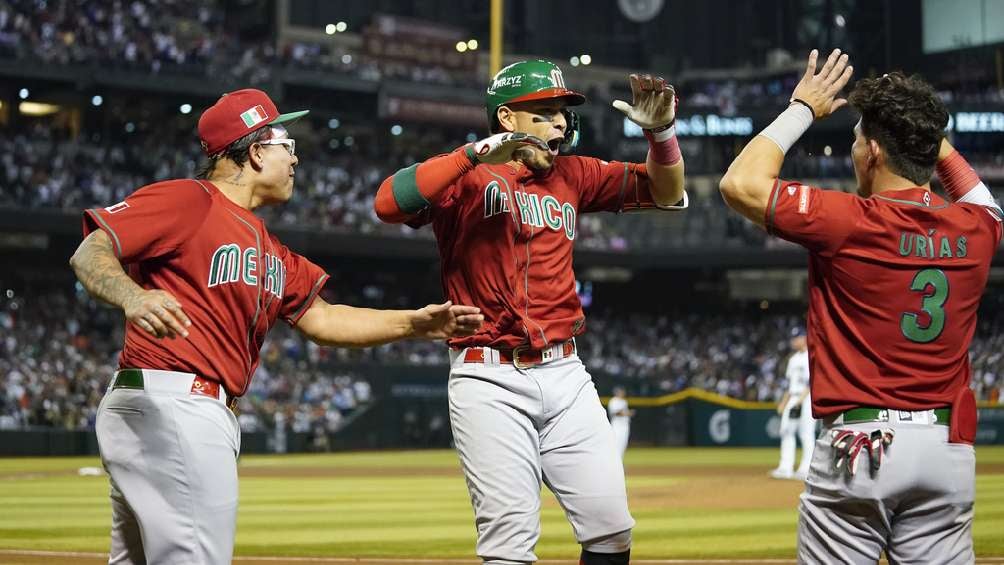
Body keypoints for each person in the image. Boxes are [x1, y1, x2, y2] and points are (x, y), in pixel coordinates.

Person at [68, 88, 484, 565]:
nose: (296, 159)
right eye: (287, 145)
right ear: (256, 149)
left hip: (175, 408)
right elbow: (90, 251)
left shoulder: (267, 244)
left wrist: (412, 324)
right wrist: (133, 296)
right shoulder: (189, 199)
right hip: (174, 402)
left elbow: (323, 317)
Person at [375, 59, 686, 565]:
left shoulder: (576, 174)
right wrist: (471, 156)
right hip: (487, 377)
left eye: (562, 112)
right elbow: (388, 202)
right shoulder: (466, 177)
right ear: (506, 120)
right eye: (543, 112)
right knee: (509, 545)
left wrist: (662, 135)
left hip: (566, 373)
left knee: (611, 530)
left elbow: (668, 192)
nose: (560, 123)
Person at [719, 49, 1000, 564]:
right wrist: (927, 139)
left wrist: (802, 107)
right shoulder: (978, 231)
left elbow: (739, 184)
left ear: (872, 150)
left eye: (855, 142)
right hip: (946, 450)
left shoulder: (850, 220)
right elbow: (985, 201)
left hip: (863, 447)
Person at [770, 327, 814, 480]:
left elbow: (811, 382)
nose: (793, 340)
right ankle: (785, 467)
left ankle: (806, 469)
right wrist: (784, 402)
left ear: (804, 338)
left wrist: (800, 401)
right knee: (786, 431)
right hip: (793, 397)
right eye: (793, 338)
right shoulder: (793, 359)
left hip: (807, 398)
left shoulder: (811, 356)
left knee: (806, 434)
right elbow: (789, 384)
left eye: (797, 337)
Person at [608, 386, 635, 459]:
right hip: (617, 426)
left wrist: (627, 413)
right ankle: (614, 463)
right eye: (620, 391)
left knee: (623, 445)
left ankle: (620, 463)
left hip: (625, 426)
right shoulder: (614, 400)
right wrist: (628, 413)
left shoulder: (624, 401)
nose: (622, 393)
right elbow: (616, 412)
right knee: (616, 445)